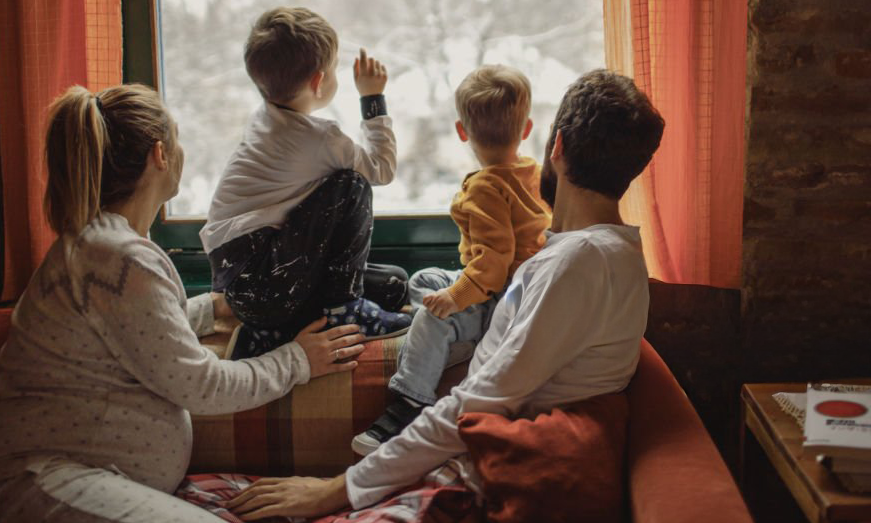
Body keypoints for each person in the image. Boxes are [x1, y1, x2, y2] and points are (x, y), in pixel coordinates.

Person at [225, 69, 666, 520]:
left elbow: (481, 399)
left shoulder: (580, 261)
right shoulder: (614, 253)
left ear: (557, 147)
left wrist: (338, 490)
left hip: (482, 479)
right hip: (472, 461)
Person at [0, 84, 367, 523]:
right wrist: (297, 360)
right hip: (39, 485)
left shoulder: (105, 248)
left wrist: (215, 307)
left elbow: (137, 334)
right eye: (178, 140)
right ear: (160, 155)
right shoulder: (118, 257)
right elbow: (200, 387)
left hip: (71, 480)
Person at [353, 65, 551, 454]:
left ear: (462, 132)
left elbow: (494, 263)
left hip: (501, 299)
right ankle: (445, 339)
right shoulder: (532, 172)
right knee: (425, 280)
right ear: (526, 129)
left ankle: (409, 403)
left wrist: (456, 299)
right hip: (517, 287)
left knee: (433, 313)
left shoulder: (485, 188)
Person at [200, 7, 412, 359]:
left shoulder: (262, 120)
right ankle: (344, 313)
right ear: (318, 82)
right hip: (269, 281)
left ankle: (273, 333)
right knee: (351, 184)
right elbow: (381, 169)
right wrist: (372, 98)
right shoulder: (321, 139)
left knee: (395, 284)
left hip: (244, 289)